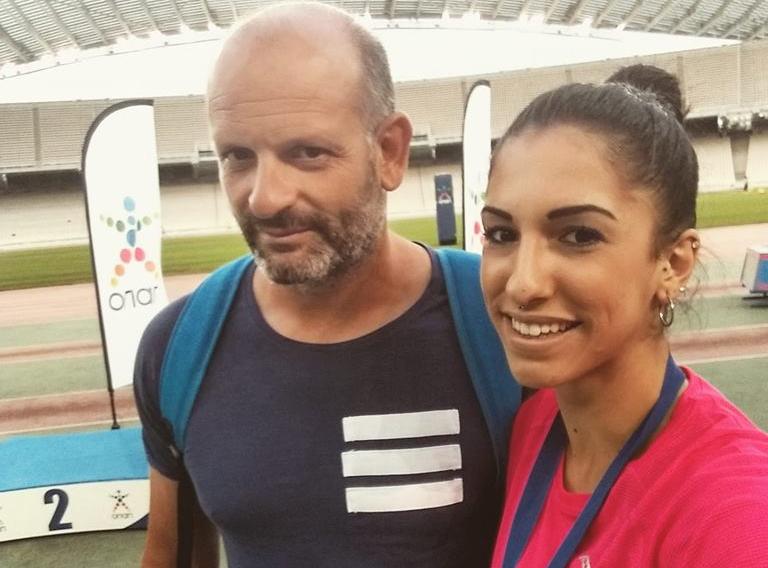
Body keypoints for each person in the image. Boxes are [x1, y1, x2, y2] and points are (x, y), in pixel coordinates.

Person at [133, 3, 517, 567]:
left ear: (389, 152)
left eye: (307, 152)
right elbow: (174, 555)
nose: (265, 198)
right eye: (237, 156)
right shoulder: (178, 348)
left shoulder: (503, 319)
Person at [481, 65, 768, 566]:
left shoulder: (735, 518)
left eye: (579, 236)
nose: (523, 283)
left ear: (672, 263)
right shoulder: (536, 424)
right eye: (502, 234)